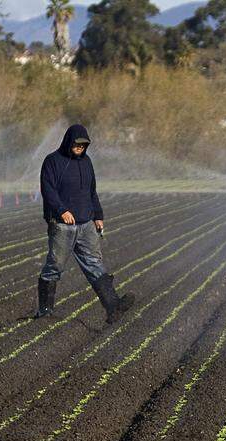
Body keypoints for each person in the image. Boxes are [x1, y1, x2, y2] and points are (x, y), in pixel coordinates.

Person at [35, 124, 134, 323]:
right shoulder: (53, 161)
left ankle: (113, 305)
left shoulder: (87, 162)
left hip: (86, 224)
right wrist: (62, 211)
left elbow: (91, 192)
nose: (80, 147)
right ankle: (44, 311)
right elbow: (48, 190)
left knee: (94, 263)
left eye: (83, 145)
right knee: (55, 265)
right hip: (62, 225)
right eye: (77, 144)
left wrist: (98, 215)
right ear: (68, 142)